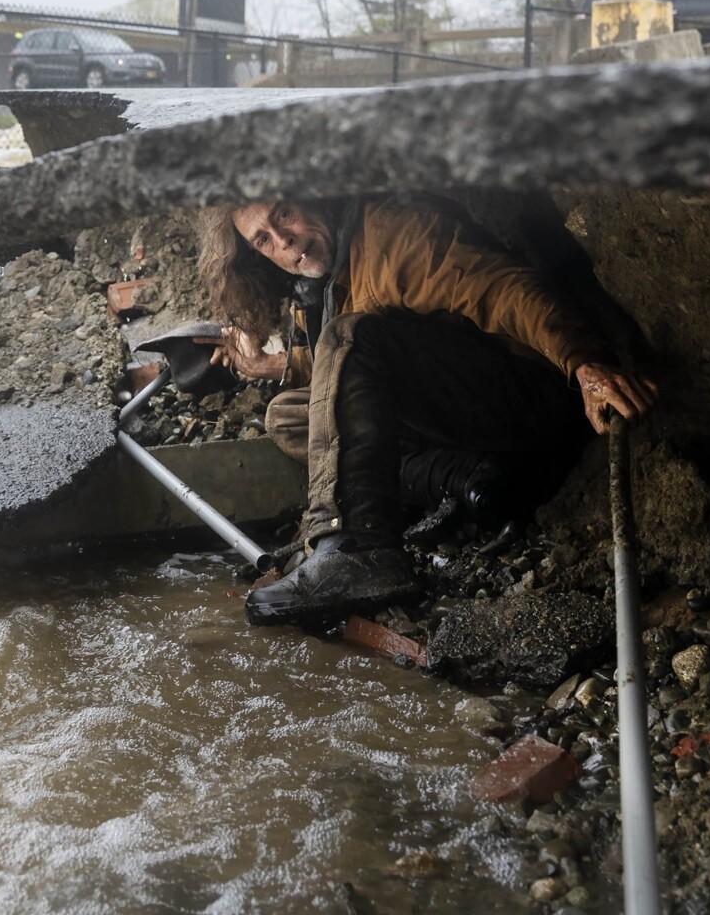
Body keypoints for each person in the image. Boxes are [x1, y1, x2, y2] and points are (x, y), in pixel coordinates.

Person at [194, 194, 657, 626]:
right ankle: (471, 478)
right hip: (460, 419)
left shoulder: (393, 233)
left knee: (349, 339)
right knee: (291, 417)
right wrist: (263, 365)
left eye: (284, 215)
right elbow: (333, 368)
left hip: (528, 398)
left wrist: (583, 364)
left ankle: (355, 548)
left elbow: (501, 291)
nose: (283, 240)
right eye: (264, 240)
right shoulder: (323, 283)